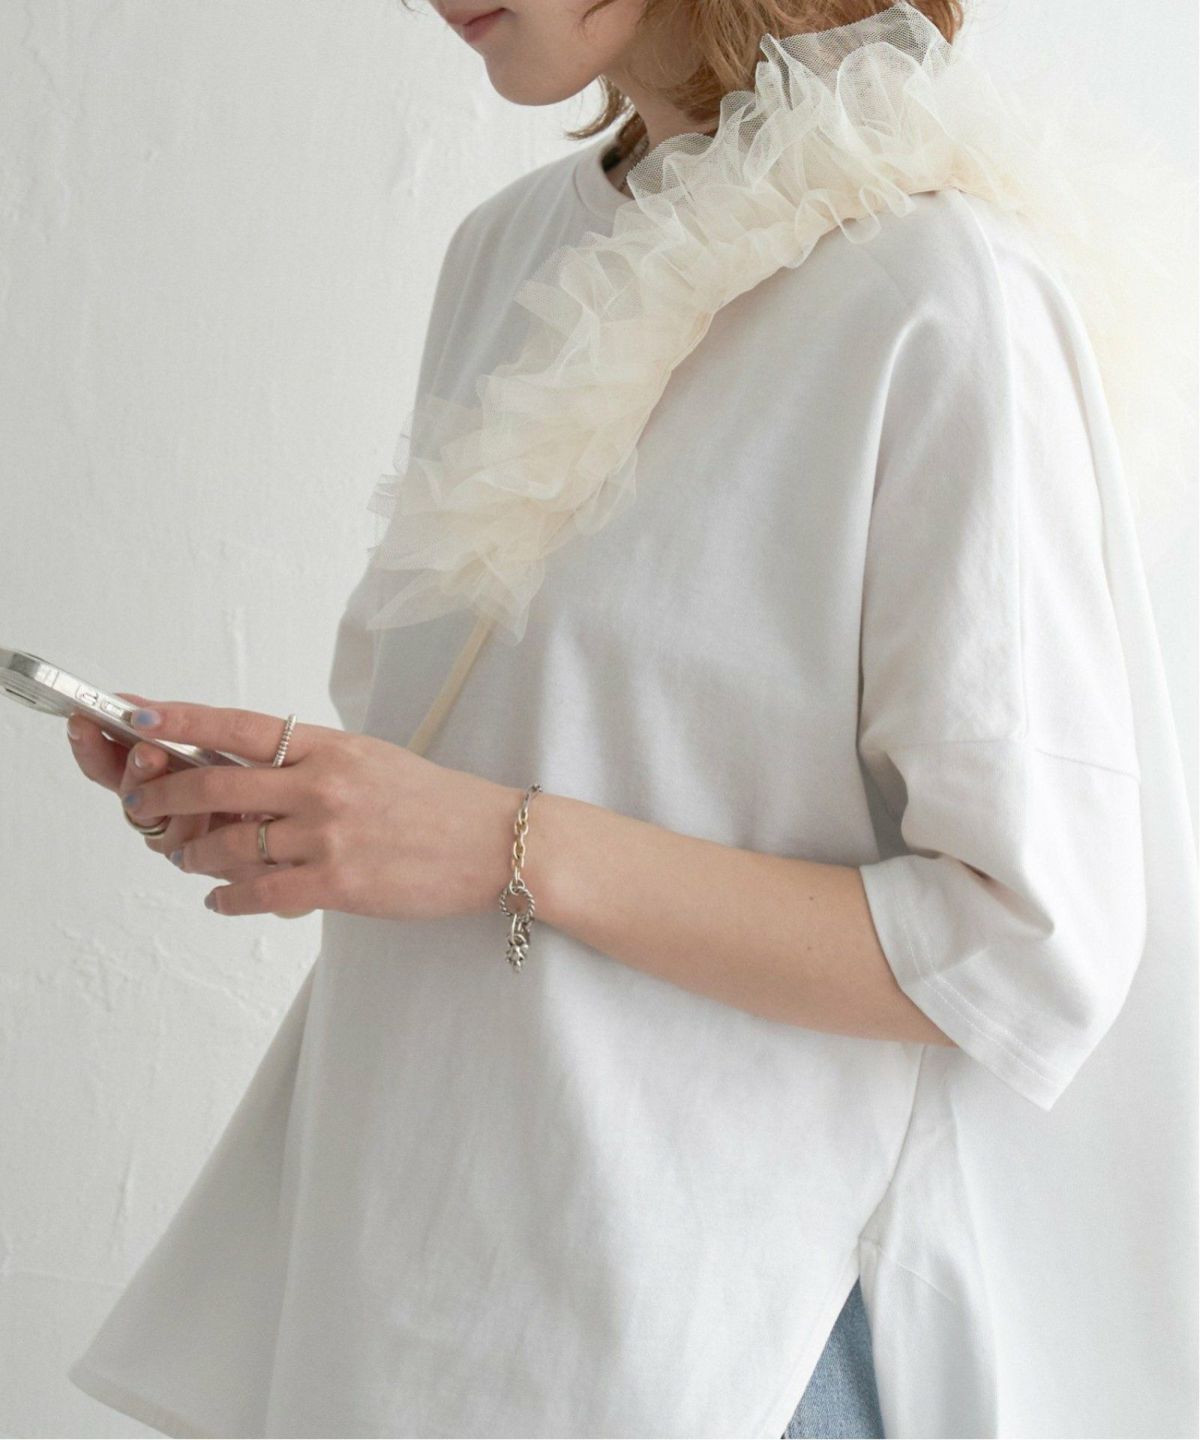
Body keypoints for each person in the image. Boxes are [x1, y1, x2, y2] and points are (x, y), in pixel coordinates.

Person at [63, 2, 1197, 1437]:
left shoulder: (938, 291)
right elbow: (529, 753)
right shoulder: (508, 253)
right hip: (411, 1292)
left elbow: (1022, 949)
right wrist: (316, 812)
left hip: (708, 1334)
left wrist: (494, 843)